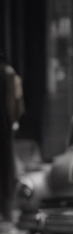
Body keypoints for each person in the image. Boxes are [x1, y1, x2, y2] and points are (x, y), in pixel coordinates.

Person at [0, 52, 25, 221]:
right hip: (4, 125)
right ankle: (6, 209)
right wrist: (13, 120)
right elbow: (13, 102)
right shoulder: (9, 73)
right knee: (6, 166)